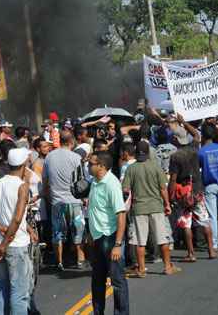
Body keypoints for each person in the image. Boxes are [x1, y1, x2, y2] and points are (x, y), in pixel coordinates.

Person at [0, 148, 40, 315]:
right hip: (14, 245)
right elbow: (16, 219)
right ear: (24, 164)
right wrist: (5, 242)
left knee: (2, 289)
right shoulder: (22, 187)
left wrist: (1, 229)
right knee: (19, 293)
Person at [123, 141, 180, 277]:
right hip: (156, 206)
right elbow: (163, 188)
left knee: (140, 241)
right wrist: (167, 204)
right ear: (148, 153)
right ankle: (167, 267)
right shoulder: (155, 167)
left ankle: (142, 269)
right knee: (162, 238)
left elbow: (125, 189)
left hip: (139, 208)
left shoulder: (131, 168)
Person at [87, 151, 129, 315]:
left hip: (110, 238)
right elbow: (94, 209)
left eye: (91, 163)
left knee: (117, 282)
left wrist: (117, 244)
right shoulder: (95, 182)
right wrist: (90, 232)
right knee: (97, 281)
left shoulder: (111, 184)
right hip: (97, 238)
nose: (89, 166)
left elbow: (121, 214)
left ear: (102, 166)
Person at [168, 126, 216, 260]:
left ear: (176, 139)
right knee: (204, 220)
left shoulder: (175, 156)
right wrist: (184, 122)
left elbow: (173, 179)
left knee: (186, 223)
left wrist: (171, 195)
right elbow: (196, 135)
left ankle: (191, 254)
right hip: (198, 191)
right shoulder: (195, 149)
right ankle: (211, 250)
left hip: (184, 193)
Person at [43, 131, 86, 271]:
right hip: (74, 200)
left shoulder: (49, 157)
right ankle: (80, 260)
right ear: (71, 141)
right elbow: (81, 181)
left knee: (57, 233)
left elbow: (45, 181)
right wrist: (84, 198)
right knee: (78, 230)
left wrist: (48, 196)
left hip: (57, 201)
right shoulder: (75, 157)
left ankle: (59, 261)